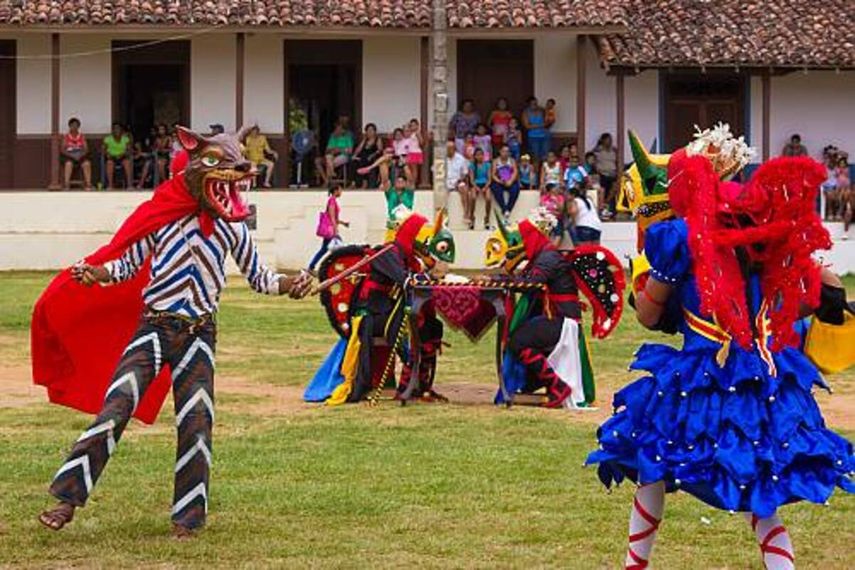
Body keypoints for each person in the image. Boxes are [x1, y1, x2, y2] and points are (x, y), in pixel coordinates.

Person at [587, 124, 853, 569]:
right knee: (761, 493)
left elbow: (651, 316)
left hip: (700, 377)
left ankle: (635, 566)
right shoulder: (764, 234)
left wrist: (651, 284)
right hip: (763, 379)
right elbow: (821, 292)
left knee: (652, 465)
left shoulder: (680, 239)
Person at [33, 125, 313, 538]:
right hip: (155, 328)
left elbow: (260, 277)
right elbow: (126, 265)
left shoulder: (233, 227)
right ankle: (67, 499)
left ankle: (188, 518)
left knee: (198, 420)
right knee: (117, 407)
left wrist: (292, 285)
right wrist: (99, 273)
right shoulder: (161, 222)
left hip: (200, 334)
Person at [309, 184, 349, 273]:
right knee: (338, 249)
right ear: (335, 191)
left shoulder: (333, 201)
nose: (341, 192)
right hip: (331, 230)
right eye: (340, 190)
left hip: (331, 229)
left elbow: (333, 217)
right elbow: (331, 217)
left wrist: (343, 223)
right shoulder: (332, 201)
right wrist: (335, 229)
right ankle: (335, 268)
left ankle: (311, 266)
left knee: (324, 249)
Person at [315, 117, 354, 187]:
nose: (338, 130)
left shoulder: (348, 137)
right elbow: (327, 150)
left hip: (343, 156)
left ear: (343, 130)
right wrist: (334, 150)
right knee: (319, 160)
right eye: (337, 129)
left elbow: (350, 151)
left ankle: (327, 182)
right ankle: (327, 178)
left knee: (329, 162)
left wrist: (339, 149)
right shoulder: (333, 137)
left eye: (340, 129)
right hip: (332, 156)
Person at [442, 141, 471, 225]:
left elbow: (465, 174)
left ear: (454, 149)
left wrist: (459, 181)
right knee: (440, 190)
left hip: (457, 181)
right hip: (445, 181)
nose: (448, 150)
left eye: (451, 148)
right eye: (447, 149)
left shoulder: (461, 159)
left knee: (464, 189)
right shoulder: (441, 158)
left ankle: (466, 214)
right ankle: (444, 215)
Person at [61, 117, 92, 190]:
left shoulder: (81, 136)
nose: (74, 127)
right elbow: (62, 149)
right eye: (73, 125)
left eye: (76, 125)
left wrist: (81, 155)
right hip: (69, 156)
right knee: (68, 164)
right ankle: (66, 184)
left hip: (80, 155)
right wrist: (71, 156)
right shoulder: (66, 136)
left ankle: (88, 184)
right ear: (70, 126)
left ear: (78, 127)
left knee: (87, 164)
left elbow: (86, 149)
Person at [491, 144, 520, 221]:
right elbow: (493, 174)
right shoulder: (495, 161)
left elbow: (515, 172)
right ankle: (504, 208)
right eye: (504, 151)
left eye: (507, 151)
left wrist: (510, 181)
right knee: (495, 189)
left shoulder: (512, 161)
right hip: (500, 181)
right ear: (500, 152)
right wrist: (499, 181)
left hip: (510, 180)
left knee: (515, 189)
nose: (505, 153)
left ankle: (508, 209)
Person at [594, 133, 618, 218]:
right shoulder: (598, 151)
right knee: (602, 190)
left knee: (615, 187)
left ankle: (606, 203)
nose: (610, 141)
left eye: (610, 139)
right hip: (602, 174)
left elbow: (617, 162)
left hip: (613, 173)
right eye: (608, 139)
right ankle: (603, 206)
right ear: (603, 140)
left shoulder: (614, 151)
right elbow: (593, 161)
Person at [102, 123, 133, 189]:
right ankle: (110, 185)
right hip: (111, 157)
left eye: (118, 128)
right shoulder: (108, 139)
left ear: (121, 130)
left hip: (122, 156)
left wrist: (123, 154)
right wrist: (108, 154)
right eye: (115, 129)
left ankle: (129, 185)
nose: (117, 130)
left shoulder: (125, 139)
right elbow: (103, 150)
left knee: (127, 163)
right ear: (112, 130)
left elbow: (129, 150)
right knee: (109, 163)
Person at [352, 123, 383, 189]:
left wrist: (372, 155)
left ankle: (364, 183)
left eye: (371, 130)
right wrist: (355, 155)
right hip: (363, 157)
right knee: (354, 162)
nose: (370, 132)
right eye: (368, 130)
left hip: (373, 157)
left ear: (375, 131)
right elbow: (358, 150)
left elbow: (380, 150)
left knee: (364, 161)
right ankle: (354, 183)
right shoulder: (365, 140)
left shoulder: (377, 139)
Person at [468, 148, 492, 230]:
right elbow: (471, 180)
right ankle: (471, 217)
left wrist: (485, 187)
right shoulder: (472, 165)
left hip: (485, 184)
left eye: (481, 155)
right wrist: (476, 187)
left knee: (488, 198)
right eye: (477, 155)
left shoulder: (487, 165)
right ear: (475, 156)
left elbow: (489, 178)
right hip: (476, 184)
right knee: (473, 197)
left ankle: (487, 218)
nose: (480, 157)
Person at [521, 97, 549, 166]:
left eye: (536, 103)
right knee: (535, 156)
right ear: (529, 104)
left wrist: (534, 125)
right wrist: (541, 125)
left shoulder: (541, 110)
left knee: (545, 156)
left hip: (544, 136)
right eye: (533, 104)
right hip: (533, 137)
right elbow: (527, 126)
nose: (535, 105)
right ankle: (535, 174)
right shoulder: (526, 112)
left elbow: (547, 122)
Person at [404, 119, 425, 187]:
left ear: (417, 126)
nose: (413, 126)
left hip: (415, 152)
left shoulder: (417, 133)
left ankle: (414, 183)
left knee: (414, 169)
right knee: (408, 168)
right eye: (411, 125)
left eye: (414, 125)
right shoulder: (410, 133)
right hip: (410, 152)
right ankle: (410, 181)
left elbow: (421, 142)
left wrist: (418, 137)